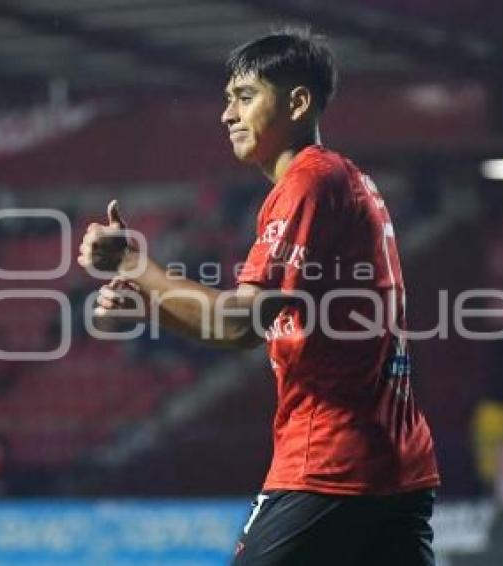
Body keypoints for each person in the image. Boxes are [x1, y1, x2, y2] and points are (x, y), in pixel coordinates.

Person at [78, 28, 440, 565]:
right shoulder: (342, 181)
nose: (227, 114)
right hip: (395, 468)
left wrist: (134, 262)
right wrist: (149, 304)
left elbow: (237, 325)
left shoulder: (309, 183)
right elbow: (245, 331)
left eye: (244, 97)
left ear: (298, 101)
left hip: (329, 466)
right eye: (227, 99)